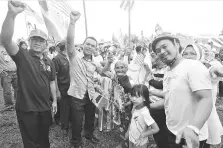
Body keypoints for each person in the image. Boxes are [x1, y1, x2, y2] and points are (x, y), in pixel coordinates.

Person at [1, 1, 57, 148]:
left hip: (45, 108)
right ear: (29, 41)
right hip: (27, 109)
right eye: (34, 39)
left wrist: (55, 101)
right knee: (31, 143)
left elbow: (52, 81)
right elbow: (6, 40)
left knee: (44, 140)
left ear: (46, 44)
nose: (37, 42)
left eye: (41, 40)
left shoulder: (49, 61)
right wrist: (11, 14)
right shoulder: (22, 55)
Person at [151, 32, 213, 148]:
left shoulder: (192, 66)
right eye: (158, 50)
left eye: (164, 46)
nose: (162, 52)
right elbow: (170, 100)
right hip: (172, 132)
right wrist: (148, 106)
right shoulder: (168, 72)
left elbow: (205, 98)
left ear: (176, 43)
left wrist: (193, 128)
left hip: (191, 137)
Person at [66, 11, 113, 148]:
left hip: (91, 95)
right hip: (77, 96)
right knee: (77, 120)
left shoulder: (94, 62)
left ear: (95, 48)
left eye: (93, 45)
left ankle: (89, 134)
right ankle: (76, 141)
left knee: (90, 117)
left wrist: (109, 63)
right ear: (82, 45)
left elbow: (102, 71)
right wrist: (72, 22)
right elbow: (69, 41)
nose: (90, 47)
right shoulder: (74, 56)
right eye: (88, 44)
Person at [182, 44, 223, 148]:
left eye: (192, 53)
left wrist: (216, 68)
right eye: (185, 54)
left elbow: (213, 70)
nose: (188, 56)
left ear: (199, 55)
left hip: (203, 123)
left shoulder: (204, 70)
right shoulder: (181, 72)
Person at [52, 40, 71, 131]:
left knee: (67, 105)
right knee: (62, 105)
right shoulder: (56, 59)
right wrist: (57, 90)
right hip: (61, 86)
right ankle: (61, 122)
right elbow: (54, 76)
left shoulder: (69, 57)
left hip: (70, 86)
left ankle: (66, 120)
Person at [0, 34, 17, 111]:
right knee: (7, 91)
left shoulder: (10, 47)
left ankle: (19, 103)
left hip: (15, 72)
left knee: (18, 88)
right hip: (6, 73)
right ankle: (9, 105)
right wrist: (1, 70)